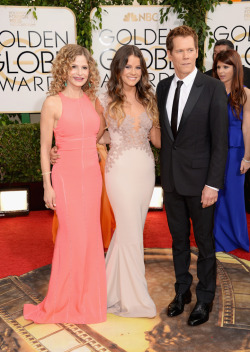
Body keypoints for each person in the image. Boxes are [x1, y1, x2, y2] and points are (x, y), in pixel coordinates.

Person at [23, 44, 107, 324]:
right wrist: (47, 185)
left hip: (92, 175)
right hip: (66, 176)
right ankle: (64, 301)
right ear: (64, 69)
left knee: (91, 237)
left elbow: (100, 130)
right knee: (71, 237)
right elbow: (45, 148)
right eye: (74, 67)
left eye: (84, 67)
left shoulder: (93, 100)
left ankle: (88, 300)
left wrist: (94, 144)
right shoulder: (52, 103)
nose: (79, 72)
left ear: (90, 70)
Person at [157, 25, 228, 326]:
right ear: (169, 54)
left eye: (190, 49)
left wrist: (212, 183)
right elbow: (166, 136)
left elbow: (220, 141)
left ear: (197, 51)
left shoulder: (212, 87)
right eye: (179, 50)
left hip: (202, 184)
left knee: (204, 242)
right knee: (178, 241)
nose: (185, 56)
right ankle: (182, 291)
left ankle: (205, 297)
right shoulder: (162, 87)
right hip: (172, 181)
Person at [96, 44, 161, 318]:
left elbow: (157, 140)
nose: (133, 72)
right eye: (128, 66)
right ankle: (136, 300)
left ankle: (107, 293)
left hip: (145, 169)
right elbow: (96, 136)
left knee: (128, 233)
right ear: (118, 69)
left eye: (137, 67)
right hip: (119, 170)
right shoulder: (104, 99)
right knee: (130, 231)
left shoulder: (149, 98)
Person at [212, 49, 250, 252]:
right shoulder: (213, 90)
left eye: (226, 66)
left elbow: (247, 126)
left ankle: (237, 238)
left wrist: (247, 157)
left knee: (233, 196)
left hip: (236, 151)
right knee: (217, 195)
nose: (221, 71)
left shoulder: (245, 93)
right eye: (218, 67)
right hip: (215, 151)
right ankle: (219, 238)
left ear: (236, 68)